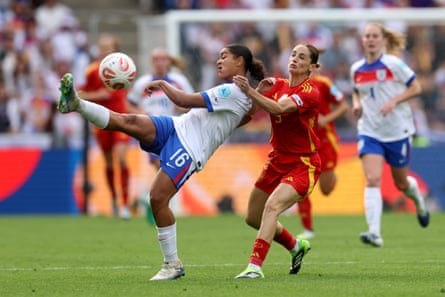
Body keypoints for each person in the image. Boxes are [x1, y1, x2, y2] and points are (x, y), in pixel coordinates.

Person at [56, 44, 266, 281]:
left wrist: (163, 84)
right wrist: (231, 121)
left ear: (240, 62)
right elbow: (245, 116)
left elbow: (184, 99)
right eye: (218, 56)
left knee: (157, 197)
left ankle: (172, 264)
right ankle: (77, 104)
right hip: (177, 126)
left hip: (189, 147)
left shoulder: (234, 91)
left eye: (224, 57)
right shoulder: (237, 92)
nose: (219, 61)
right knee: (131, 121)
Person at [233, 43, 321, 279]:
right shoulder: (278, 85)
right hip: (277, 159)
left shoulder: (310, 92)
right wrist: (258, 92)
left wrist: (250, 90)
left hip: (303, 163)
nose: (294, 59)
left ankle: (254, 267)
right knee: (253, 217)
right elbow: (251, 113)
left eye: (302, 57)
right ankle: (295, 246)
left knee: (272, 207)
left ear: (312, 66)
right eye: (293, 54)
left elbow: (279, 109)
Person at [350, 23, 430, 248]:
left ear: (383, 40)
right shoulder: (356, 68)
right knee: (373, 179)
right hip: (370, 131)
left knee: (401, 183)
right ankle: (374, 232)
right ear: (363, 41)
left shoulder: (394, 65)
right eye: (367, 36)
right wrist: (356, 105)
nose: (371, 40)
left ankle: (419, 202)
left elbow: (416, 88)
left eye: (375, 36)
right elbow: (357, 91)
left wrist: (394, 101)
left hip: (397, 132)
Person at [126, 47, 193, 221]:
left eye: (162, 59)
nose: (159, 62)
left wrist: (183, 106)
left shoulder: (179, 81)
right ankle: (159, 203)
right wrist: (140, 112)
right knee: (160, 165)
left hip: (176, 130)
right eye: (156, 59)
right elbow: (129, 104)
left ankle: (153, 200)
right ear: (152, 62)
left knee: (168, 169)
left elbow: (193, 101)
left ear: (168, 62)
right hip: (153, 130)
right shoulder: (143, 83)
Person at [79, 34, 132, 219]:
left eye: (109, 47)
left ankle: (125, 204)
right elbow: (85, 92)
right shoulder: (92, 70)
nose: (105, 50)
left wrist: (89, 96)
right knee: (109, 163)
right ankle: (114, 200)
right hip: (101, 122)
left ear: (115, 48)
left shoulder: (122, 66)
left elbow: (108, 94)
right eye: (102, 47)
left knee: (122, 159)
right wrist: (86, 95)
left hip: (121, 120)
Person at [296, 70, 349, 240]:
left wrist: (326, 119)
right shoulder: (290, 86)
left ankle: (332, 179)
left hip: (325, 142)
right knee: (300, 187)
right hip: (304, 143)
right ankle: (308, 229)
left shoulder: (324, 84)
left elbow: (344, 106)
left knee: (325, 190)